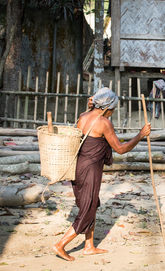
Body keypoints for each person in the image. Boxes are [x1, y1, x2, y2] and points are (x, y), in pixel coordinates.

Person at [52, 87, 151, 261]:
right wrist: (140, 135)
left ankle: (89, 246)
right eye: (113, 109)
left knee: (92, 204)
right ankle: (60, 245)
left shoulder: (83, 116)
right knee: (87, 210)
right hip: (90, 170)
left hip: (79, 168)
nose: (113, 112)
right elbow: (120, 149)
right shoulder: (104, 123)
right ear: (106, 108)